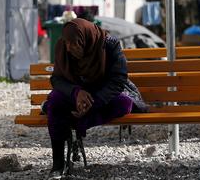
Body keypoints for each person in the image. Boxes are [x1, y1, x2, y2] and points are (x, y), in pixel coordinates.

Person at [45, 18, 148, 177]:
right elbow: (56, 79)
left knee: (124, 104)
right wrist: (76, 92)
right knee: (54, 101)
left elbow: (118, 79)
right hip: (76, 92)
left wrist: (93, 103)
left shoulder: (109, 44)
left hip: (102, 92)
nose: (69, 47)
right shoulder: (63, 46)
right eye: (67, 43)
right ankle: (58, 164)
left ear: (84, 39)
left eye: (74, 44)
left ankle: (79, 124)